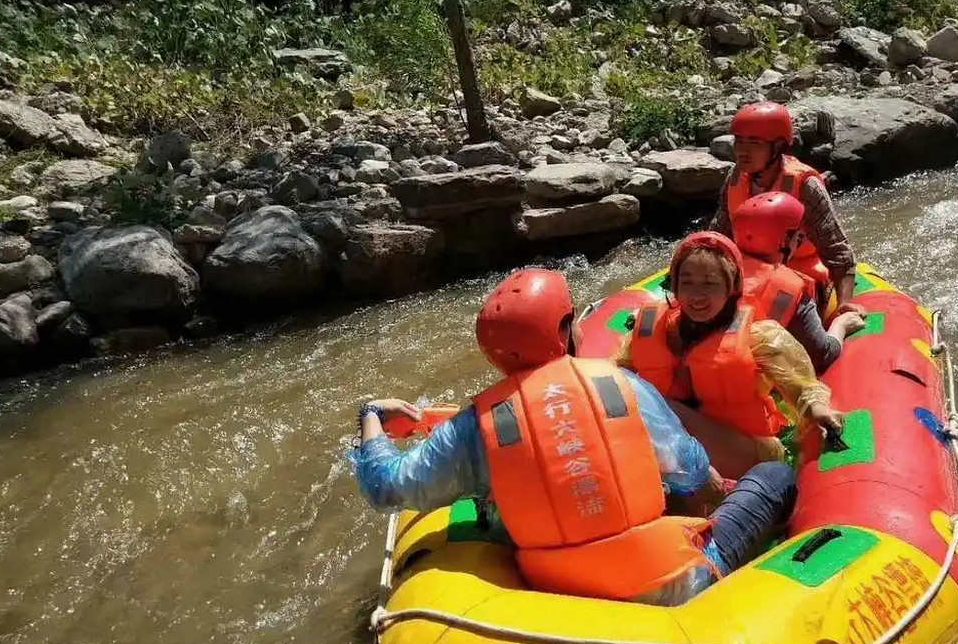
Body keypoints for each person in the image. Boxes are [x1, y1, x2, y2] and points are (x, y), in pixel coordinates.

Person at [350, 268, 797, 607]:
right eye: (573, 320)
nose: (583, 329)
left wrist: (371, 414)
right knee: (775, 475)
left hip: (551, 589)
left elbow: (385, 485)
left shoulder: (472, 428)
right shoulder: (620, 385)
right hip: (668, 585)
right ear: (563, 332)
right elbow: (693, 476)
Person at [615, 232, 844, 479]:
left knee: (659, 404)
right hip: (675, 444)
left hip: (747, 451)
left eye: (710, 283)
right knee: (637, 397)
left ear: (731, 288)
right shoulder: (653, 329)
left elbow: (806, 387)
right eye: (687, 282)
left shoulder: (761, 337)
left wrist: (817, 408)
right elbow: (614, 370)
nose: (697, 295)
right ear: (674, 286)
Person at [706, 101, 863, 314]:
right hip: (750, 272)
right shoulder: (735, 178)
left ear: (778, 147)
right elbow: (717, 234)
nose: (743, 151)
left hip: (797, 275)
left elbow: (836, 249)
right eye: (739, 141)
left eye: (754, 143)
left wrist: (845, 303)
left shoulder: (805, 186)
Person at [732, 192, 866, 373]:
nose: (800, 241)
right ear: (785, 240)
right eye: (798, 237)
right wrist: (841, 325)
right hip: (755, 385)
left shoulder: (719, 271)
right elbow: (821, 354)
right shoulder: (790, 291)